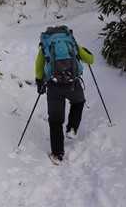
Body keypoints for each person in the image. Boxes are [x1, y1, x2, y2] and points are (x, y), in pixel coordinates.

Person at [34, 26, 94, 164]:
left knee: (55, 121)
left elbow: (39, 66)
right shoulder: (70, 42)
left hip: (54, 86)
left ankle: (57, 154)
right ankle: (72, 127)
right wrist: (87, 53)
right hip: (73, 83)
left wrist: (39, 81)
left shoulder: (46, 44)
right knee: (78, 102)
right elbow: (90, 60)